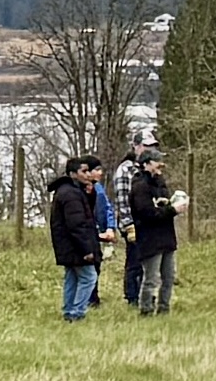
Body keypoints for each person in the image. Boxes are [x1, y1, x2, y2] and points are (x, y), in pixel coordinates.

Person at [48, 155, 104, 322]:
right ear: (73, 174)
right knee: (89, 277)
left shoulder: (72, 191)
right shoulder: (71, 195)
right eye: (84, 171)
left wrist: (90, 194)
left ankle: (68, 310)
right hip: (75, 245)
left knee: (72, 277)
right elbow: (77, 224)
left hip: (68, 245)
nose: (88, 174)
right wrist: (86, 249)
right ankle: (77, 312)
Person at [128, 145, 180, 315]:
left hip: (166, 237)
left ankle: (164, 308)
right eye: (158, 162)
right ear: (147, 164)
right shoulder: (139, 186)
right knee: (151, 278)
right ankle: (146, 310)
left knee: (169, 276)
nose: (161, 165)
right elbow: (147, 214)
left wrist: (170, 205)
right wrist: (172, 210)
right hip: (149, 238)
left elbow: (163, 204)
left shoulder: (160, 182)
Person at [112, 130, 156, 307]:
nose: (149, 150)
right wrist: (128, 225)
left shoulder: (146, 169)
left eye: (152, 146)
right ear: (136, 147)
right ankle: (132, 296)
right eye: (146, 146)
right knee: (134, 260)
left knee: (147, 260)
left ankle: (144, 294)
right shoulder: (125, 170)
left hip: (147, 222)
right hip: (132, 223)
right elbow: (122, 199)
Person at [88, 160, 117, 306]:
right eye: (96, 170)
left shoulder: (99, 188)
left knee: (96, 264)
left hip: (100, 233)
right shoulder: (82, 190)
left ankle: (93, 298)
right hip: (88, 234)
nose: (100, 173)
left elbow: (107, 208)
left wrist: (110, 228)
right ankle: (88, 299)